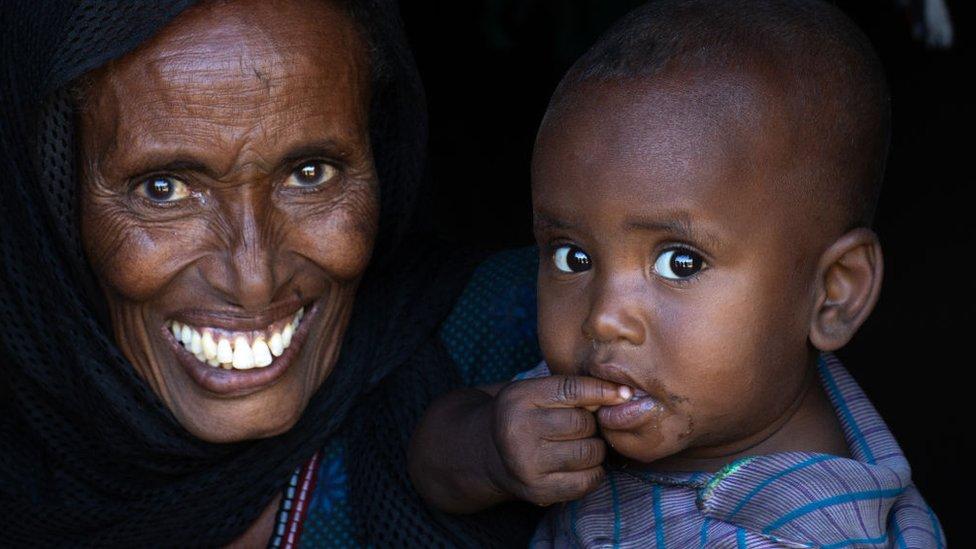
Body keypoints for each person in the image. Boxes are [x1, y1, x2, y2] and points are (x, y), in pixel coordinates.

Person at [0, 0, 543, 545]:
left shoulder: (533, 336)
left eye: (311, 174)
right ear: (50, 203)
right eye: (162, 189)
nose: (254, 279)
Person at [408, 0, 946, 546]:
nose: (605, 317)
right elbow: (432, 458)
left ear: (833, 294)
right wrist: (493, 450)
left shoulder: (818, 534)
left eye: (679, 263)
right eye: (573, 257)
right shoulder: (608, 396)